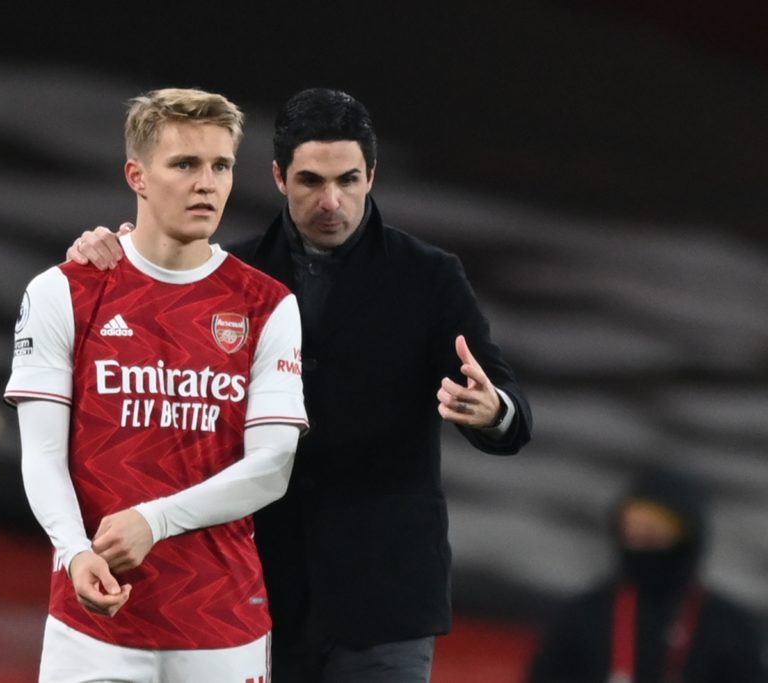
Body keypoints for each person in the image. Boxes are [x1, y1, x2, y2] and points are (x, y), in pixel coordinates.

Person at [66, 87, 533, 682]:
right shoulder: (224, 275)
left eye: (349, 180)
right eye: (312, 180)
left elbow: (513, 415)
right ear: (279, 177)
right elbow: (149, 381)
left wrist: (493, 410)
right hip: (251, 590)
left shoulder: (430, 278)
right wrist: (103, 256)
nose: (332, 201)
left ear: (372, 176)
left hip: (384, 600)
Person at [5, 87, 307, 683]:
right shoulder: (64, 291)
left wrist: (156, 521)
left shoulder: (267, 305)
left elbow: (273, 466)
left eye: (221, 165)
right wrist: (73, 552)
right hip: (92, 627)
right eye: (185, 164)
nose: (208, 183)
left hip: (221, 628)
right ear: (136, 175)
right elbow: (41, 455)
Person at [528, 466, 767, 683]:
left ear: (687, 540)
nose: (639, 545)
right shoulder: (585, 616)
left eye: (652, 535)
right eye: (632, 534)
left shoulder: (730, 629)